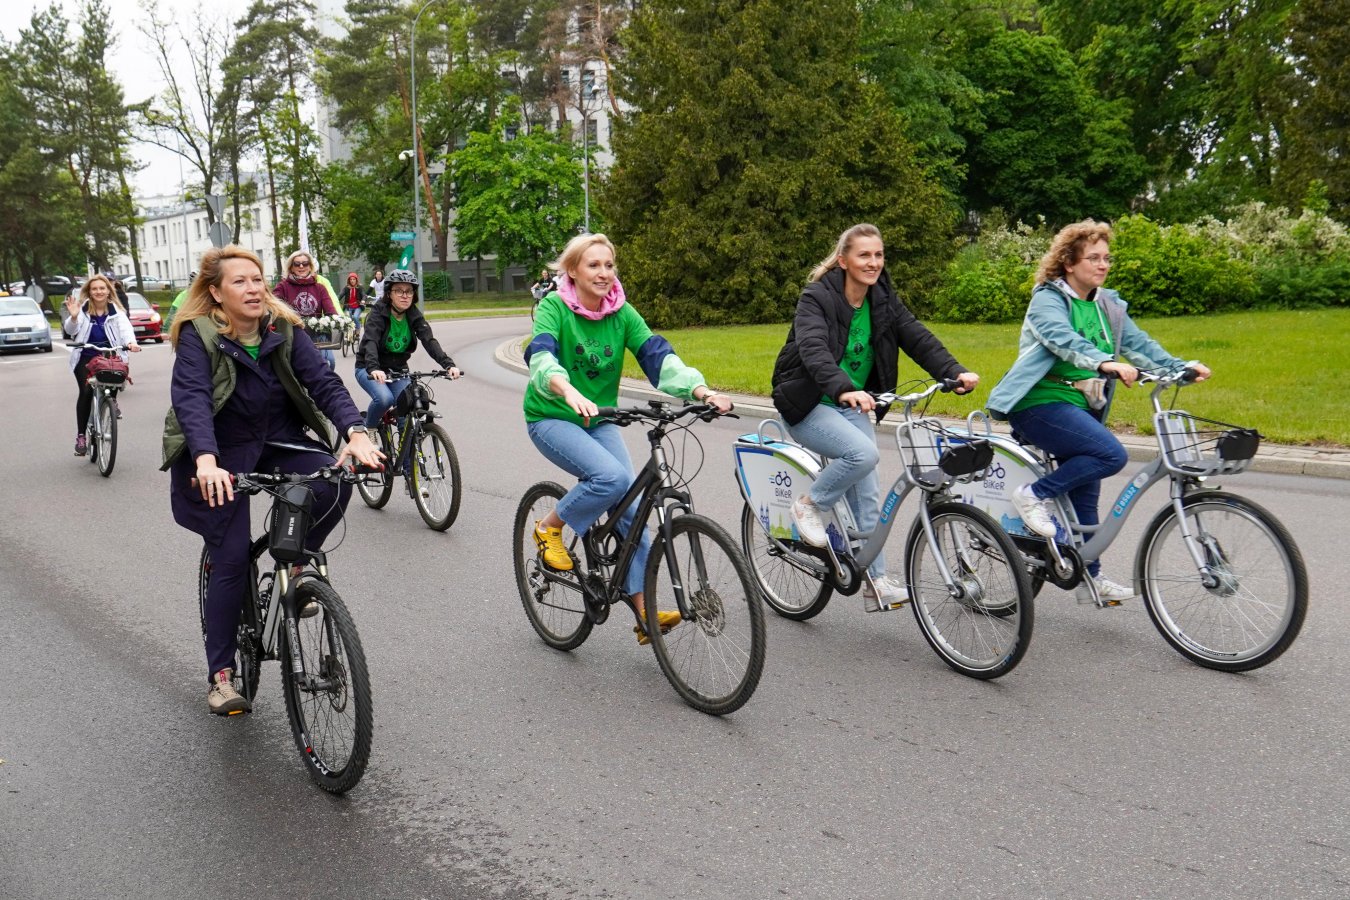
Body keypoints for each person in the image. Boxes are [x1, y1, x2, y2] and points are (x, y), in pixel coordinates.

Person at [162, 245, 383, 715]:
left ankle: (296, 569)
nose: (253, 288)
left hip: (277, 438)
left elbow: (324, 384)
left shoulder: (282, 328)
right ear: (216, 293)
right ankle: (222, 675)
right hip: (219, 453)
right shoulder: (198, 334)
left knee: (334, 480)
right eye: (239, 281)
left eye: (257, 279)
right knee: (231, 556)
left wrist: (356, 433)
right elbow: (192, 399)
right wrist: (205, 461)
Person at [524, 233, 734, 645]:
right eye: (593, 265)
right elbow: (542, 355)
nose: (604, 273)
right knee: (611, 478)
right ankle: (549, 528)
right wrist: (567, 390)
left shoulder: (621, 312)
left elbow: (658, 356)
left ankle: (644, 616)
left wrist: (701, 391)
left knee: (634, 514)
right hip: (552, 415)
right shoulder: (554, 308)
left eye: (609, 265)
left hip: (599, 418)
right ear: (573, 271)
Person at [987, 219, 1210, 604]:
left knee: (1086, 498)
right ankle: (1033, 494)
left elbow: (1140, 346)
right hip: (1038, 403)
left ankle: (1089, 577)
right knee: (1110, 454)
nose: (1103, 264)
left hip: (1083, 408)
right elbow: (1061, 338)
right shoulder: (1048, 300)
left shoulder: (1108, 305)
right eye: (1093, 258)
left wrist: (1180, 367)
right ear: (1069, 263)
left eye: (1106, 258)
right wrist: (1103, 362)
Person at [770, 223, 978, 608]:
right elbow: (813, 348)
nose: (873, 262)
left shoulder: (882, 298)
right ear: (843, 260)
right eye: (864, 255)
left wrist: (953, 371)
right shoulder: (816, 297)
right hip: (809, 403)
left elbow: (917, 336)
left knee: (868, 493)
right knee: (862, 455)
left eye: (878, 255)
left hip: (851, 404)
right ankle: (810, 504)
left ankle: (876, 581)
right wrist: (843, 387)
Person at [355, 269, 461, 445]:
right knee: (385, 399)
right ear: (389, 293)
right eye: (399, 291)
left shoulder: (413, 314)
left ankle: (406, 461)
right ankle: (370, 428)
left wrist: (448, 364)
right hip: (368, 368)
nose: (405, 295)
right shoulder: (378, 313)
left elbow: (429, 340)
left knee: (408, 410)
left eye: (409, 291)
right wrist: (374, 368)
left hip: (398, 370)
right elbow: (370, 342)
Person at [62, 274, 139, 456]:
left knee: (113, 382)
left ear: (108, 291)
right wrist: (73, 318)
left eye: (102, 288)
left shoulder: (116, 312)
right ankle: (81, 436)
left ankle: (110, 402)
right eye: (95, 289)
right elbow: (70, 330)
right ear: (89, 292)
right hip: (86, 356)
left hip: (109, 355)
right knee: (86, 391)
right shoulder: (83, 310)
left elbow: (126, 330)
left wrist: (131, 343)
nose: (98, 292)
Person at [273, 250, 339, 370]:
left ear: (310, 266)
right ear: (291, 267)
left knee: (330, 362)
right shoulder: (283, 287)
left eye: (305, 263)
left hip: (317, 335)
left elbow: (330, 311)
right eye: (297, 264)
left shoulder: (319, 288)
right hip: (293, 335)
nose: (301, 266)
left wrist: (335, 320)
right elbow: (274, 306)